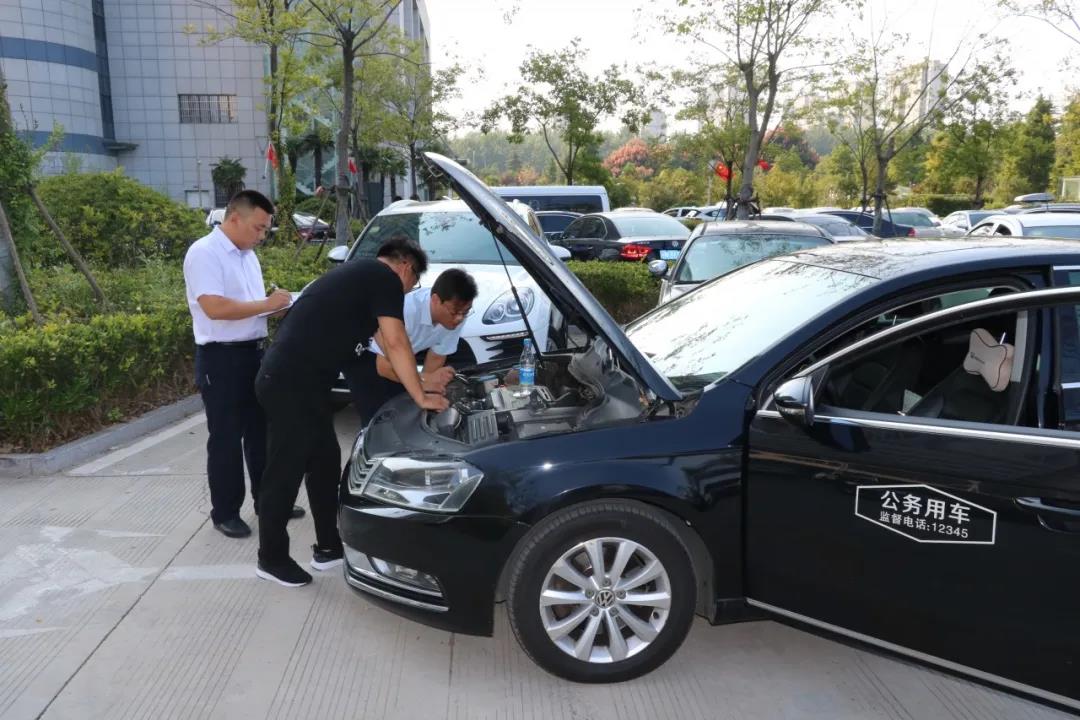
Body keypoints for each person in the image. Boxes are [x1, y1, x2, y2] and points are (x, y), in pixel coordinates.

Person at [254, 238, 449, 587]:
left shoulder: (356, 292)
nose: (407, 292)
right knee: (284, 470)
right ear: (406, 268)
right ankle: (271, 558)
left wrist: (423, 381)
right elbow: (396, 342)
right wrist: (420, 396)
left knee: (326, 463)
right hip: (288, 383)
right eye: (413, 283)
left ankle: (328, 548)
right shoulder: (382, 277)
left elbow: (380, 354)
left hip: (305, 386)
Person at [182, 190, 303, 539]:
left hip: (254, 353)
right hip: (221, 358)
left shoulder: (248, 255)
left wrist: (277, 306)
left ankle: (268, 501)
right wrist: (266, 304)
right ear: (234, 218)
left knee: (261, 433)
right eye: (258, 228)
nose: (262, 236)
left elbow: (251, 306)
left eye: (266, 229)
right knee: (226, 437)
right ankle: (225, 512)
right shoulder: (204, 252)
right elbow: (215, 308)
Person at [347, 268, 478, 424]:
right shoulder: (405, 311)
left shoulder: (456, 316)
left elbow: (436, 357)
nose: (459, 318)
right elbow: (383, 367)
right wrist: (424, 381)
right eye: (455, 312)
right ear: (436, 300)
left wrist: (428, 389)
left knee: (411, 413)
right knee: (379, 422)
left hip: (399, 360)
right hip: (365, 357)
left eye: (465, 312)